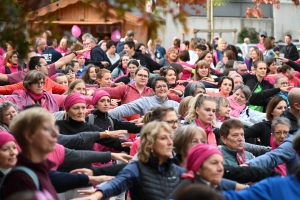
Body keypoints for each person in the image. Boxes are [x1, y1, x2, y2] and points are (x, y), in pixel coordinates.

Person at [73, 121, 185, 200]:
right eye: (163, 138)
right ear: (150, 143)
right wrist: (97, 195)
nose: (170, 142)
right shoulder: (137, 168)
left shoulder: (177, 171)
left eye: (171, 138)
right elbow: (117, 184)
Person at [0, 71, 81, 112]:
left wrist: (93, 98)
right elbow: (4, 95)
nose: (40, 85)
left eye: (42, 83)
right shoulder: (18, 97)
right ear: (29, 84)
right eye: (36, 83)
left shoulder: (50, 97)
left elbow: (74, 98)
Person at [107, 76, 179, 119]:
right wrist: (105, 114)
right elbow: (127, 108)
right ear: (153, 90)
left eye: (164, 86)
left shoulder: (175, 104)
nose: (162, 89)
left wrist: (181, 94)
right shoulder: (146, 101)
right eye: (159, 87)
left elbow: (187, 107)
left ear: (168, 89)